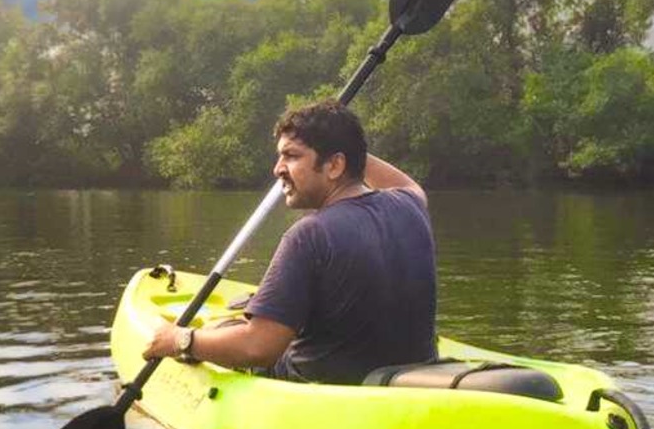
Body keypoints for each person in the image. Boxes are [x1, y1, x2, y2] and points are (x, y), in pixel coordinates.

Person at [143, 101, 439, 384]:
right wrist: (344, 141)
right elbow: (404, 183)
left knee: (221, 333)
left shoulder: (308, 235)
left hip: (323, 388)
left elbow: (258, 347)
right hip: (408, 369)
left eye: (292, 156)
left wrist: (180, 339)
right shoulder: (410, 205)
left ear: (335, 165)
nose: (278, 168)